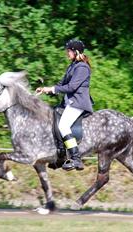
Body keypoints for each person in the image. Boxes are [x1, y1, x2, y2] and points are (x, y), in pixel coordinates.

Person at [36, 39, 93, 171]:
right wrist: (46, 89)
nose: (67, 53)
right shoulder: (72, 66)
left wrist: (53, 89)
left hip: (78, 103)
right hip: (68, 103)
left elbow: (72, 87)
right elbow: (61, 85)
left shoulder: (82, 67)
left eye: (69, 51)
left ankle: (76, 159)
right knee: (51, 119)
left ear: (76, 51)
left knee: (63, 125)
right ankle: (60, 155)